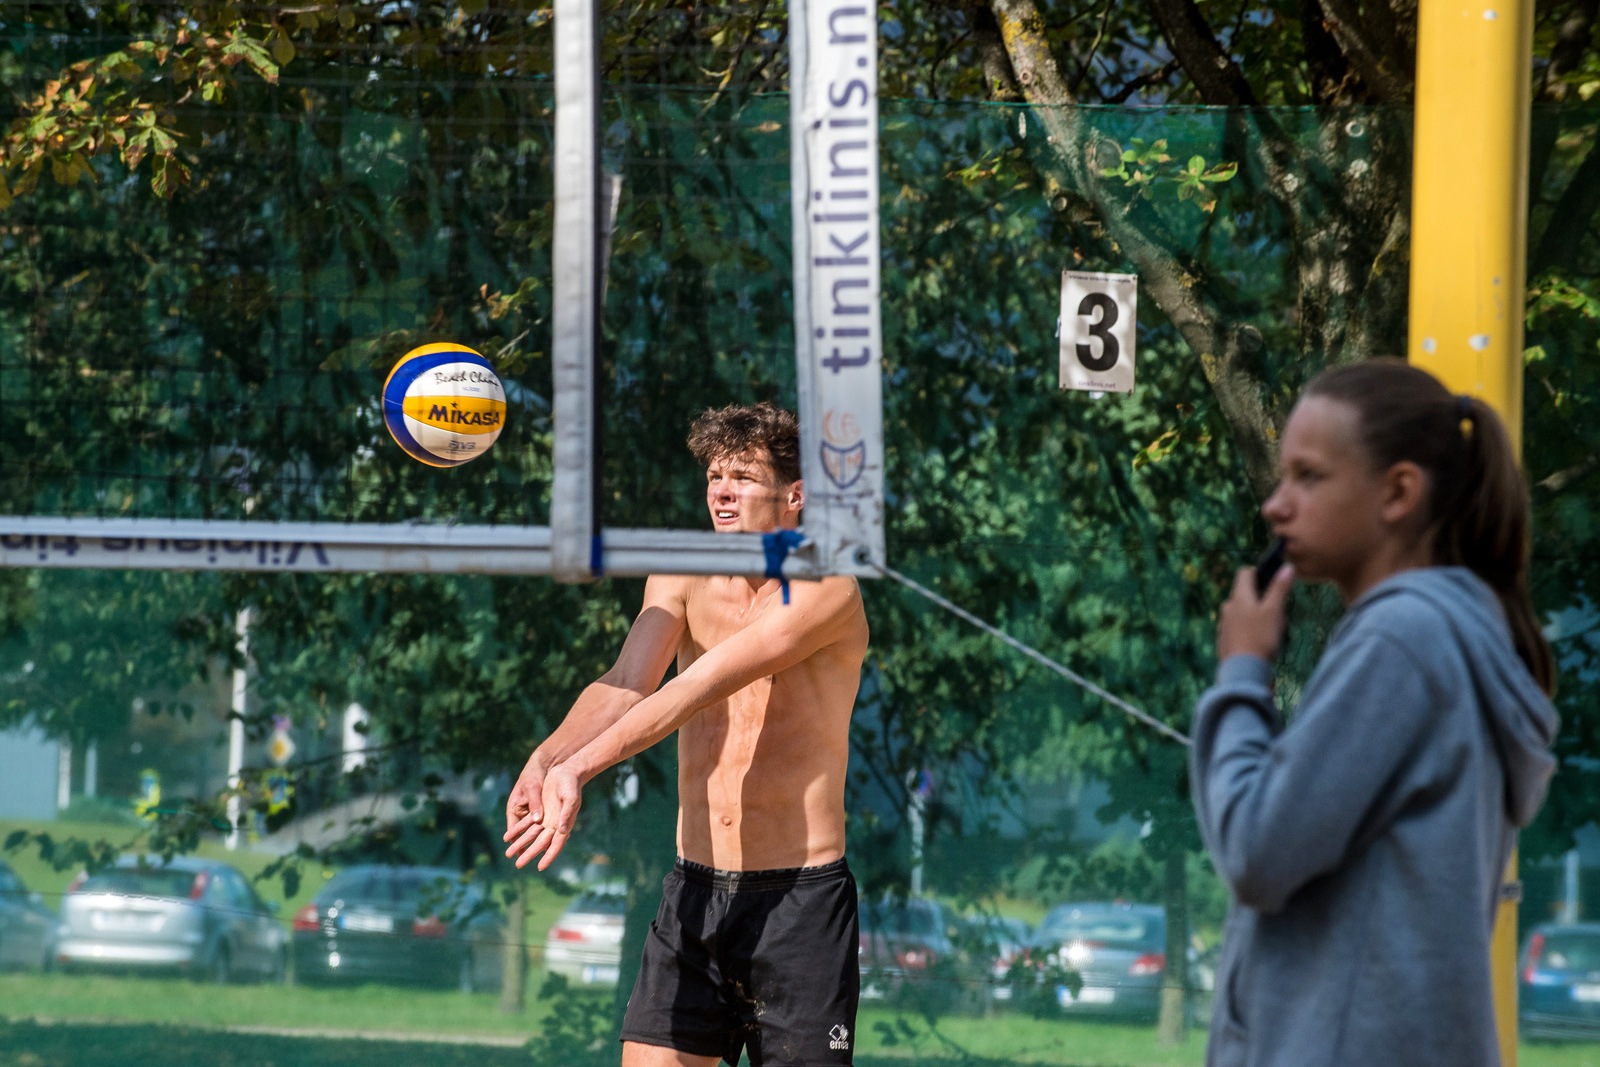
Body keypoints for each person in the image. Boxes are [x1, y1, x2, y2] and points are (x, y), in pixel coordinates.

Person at [1191, 359, 1559, 1066]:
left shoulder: (1401, 640)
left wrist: (1241, 670)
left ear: (1398, 492)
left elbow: (1260, 851)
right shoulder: (1450, 636)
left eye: (1308, 477)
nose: (1275, 506)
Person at [503, 401, 870, 1067]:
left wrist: (579, 769)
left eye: (743, 478)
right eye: (713, 477)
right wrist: (547, 757)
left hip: (800, 902)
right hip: (695, 891)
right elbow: (628, 681)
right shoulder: (680, 568)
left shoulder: (825, 584)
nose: (722, 492)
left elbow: (694, 687)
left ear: (796, 496)